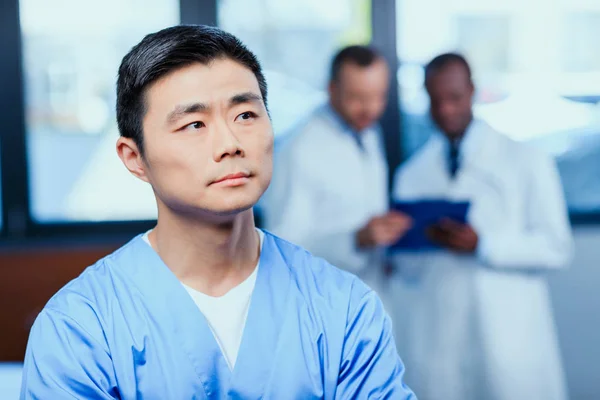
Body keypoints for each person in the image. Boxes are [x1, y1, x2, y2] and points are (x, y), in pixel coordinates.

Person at [20, 25, 415, 399]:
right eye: (194, 124)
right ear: (134, 157)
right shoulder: (81, 328)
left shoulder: (345, 309)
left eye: (245, 115)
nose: (230, 143)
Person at [392, 53, 572, 400]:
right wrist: (402, 242)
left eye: (454, 98)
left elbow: (556, 247)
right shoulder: (412, 175)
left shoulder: (526, 160)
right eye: (436, 100)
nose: (445, 110)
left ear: (472, 91)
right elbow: (407, 270)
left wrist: (484, 244)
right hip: (442, 340)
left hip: (509, 338)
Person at [261, 45, 411, 313]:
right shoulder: (298, 150)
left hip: (369, 298)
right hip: (323, 307)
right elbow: (283, 247)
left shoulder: (366, 132)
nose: (371, 108)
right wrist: (355, 240)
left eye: (378, 97)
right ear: (332, 89)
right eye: (358, 97)